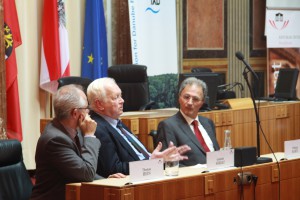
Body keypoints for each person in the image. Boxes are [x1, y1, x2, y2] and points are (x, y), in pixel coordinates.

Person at [31, 85, 124, 200]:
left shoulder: (73, 129)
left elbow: (79, 169)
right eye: (86, 108)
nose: (88, 111)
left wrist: (106, 181)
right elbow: (86, 173)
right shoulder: (55, 140)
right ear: (75, 113)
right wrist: (90, 135)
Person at [87, 77, 191, 178]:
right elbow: (113, 169)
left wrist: (157, 160)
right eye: (116, 97)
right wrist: (150, 163)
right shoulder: (97, 128)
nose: (122, 100)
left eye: (121, 96)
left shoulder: (116, 123)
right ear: (99, 104)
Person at [156, 77, 220, 166]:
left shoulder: (208, 123)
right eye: (186, 97)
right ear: (179, 98)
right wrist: (196, 170)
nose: (190, 102)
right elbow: (168, 163)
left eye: (195, 99)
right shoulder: (168, 126)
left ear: (202, 102)